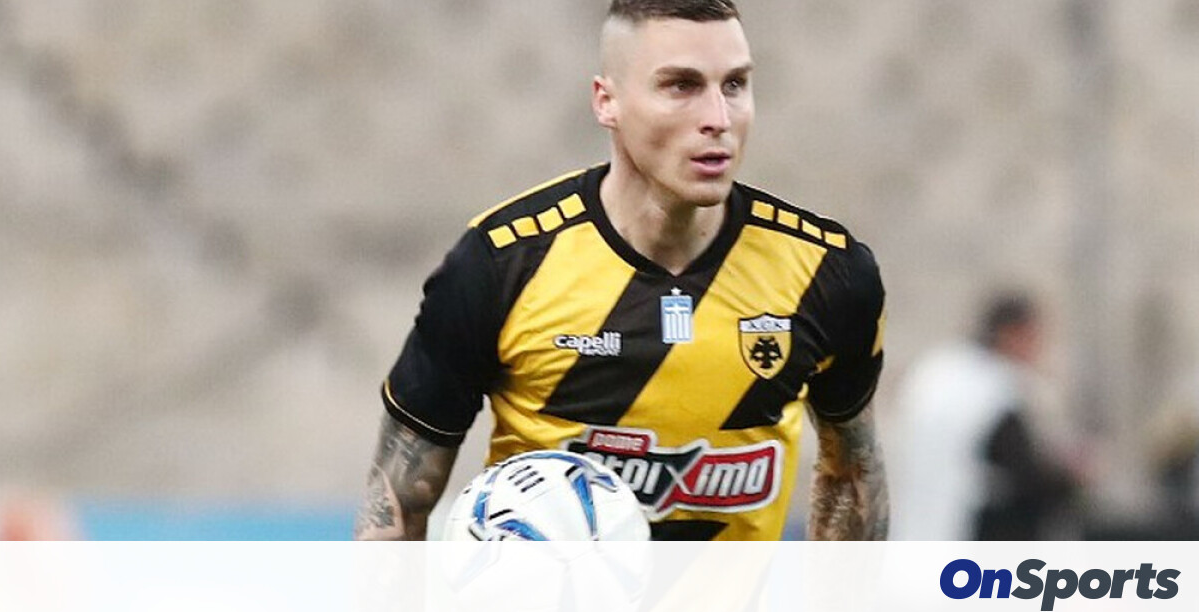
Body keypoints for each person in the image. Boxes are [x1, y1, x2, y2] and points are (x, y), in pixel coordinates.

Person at [355, 0, 888, 541]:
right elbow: (396, 507)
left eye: (734, 85)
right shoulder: (501, 264)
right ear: (606, 101)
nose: (719, 118)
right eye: (681, 86)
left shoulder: (827, 273)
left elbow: (851, 477)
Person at [889, 292, 1077, 540]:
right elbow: (1023, 472)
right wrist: (1073, 475)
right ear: (1013, 334)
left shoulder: (937, 369)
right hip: (970, 534)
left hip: (919, 529)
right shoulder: (996, 388)